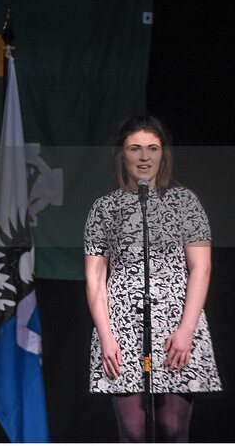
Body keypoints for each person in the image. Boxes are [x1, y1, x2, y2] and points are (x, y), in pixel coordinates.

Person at [84, 115, 222, 441]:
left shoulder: (185, 202)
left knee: (174, 431)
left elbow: (201, 268)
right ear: (123, 155)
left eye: (152, 148)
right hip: (122, 327)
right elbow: (95, 279)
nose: (144, 157)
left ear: (163, 154)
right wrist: (106, 336)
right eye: (135, 149)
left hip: (177, 325)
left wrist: (186, 330)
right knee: (132, 433)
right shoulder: (104, 208)